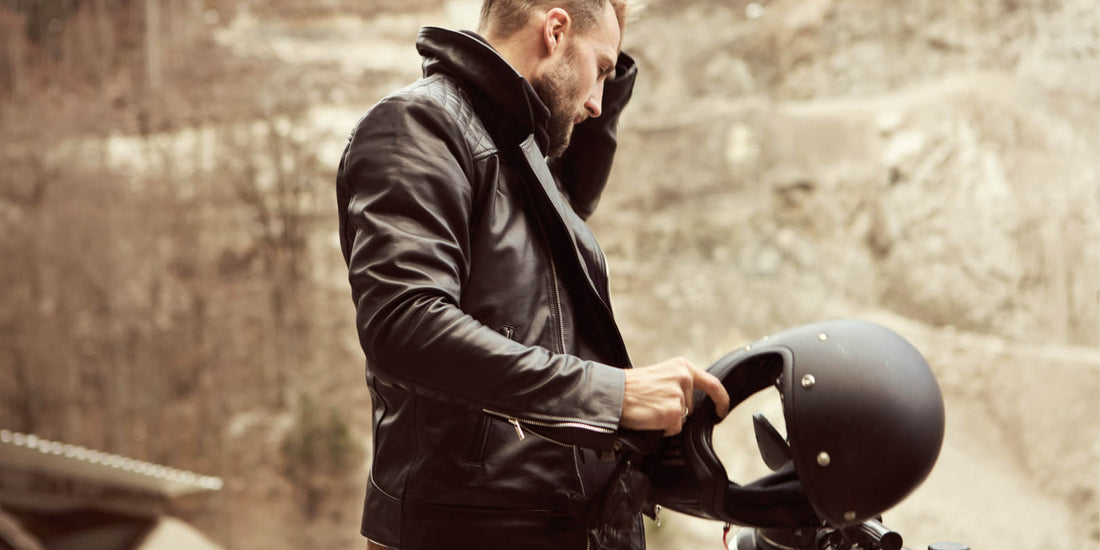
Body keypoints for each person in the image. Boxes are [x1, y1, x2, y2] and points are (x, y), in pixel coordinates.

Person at [335, 1, 730, 548]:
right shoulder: (419, 126)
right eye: (601, 70)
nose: (597, 104)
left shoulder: (522, 153)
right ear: (555, 29)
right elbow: (404, 324)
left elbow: (576, 183)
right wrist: (611, 395)